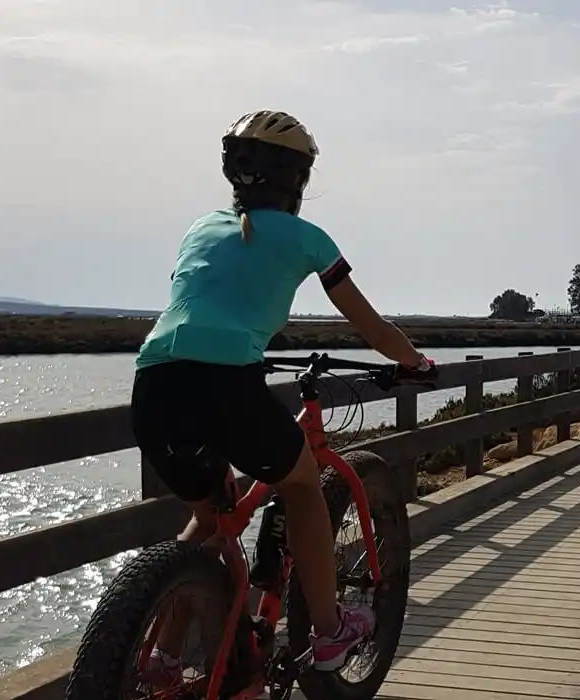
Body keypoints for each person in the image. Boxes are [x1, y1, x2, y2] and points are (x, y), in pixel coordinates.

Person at [131, 110, 432, 675]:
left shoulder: (200, 228)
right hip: (225, 386)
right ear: (298, 179)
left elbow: (210, 309)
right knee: (300, 484)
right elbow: (370, 326)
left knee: (213, 520)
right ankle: (329, 632)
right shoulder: (308, 238)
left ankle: (162, 656)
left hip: (154, 387)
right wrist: (413, 361)